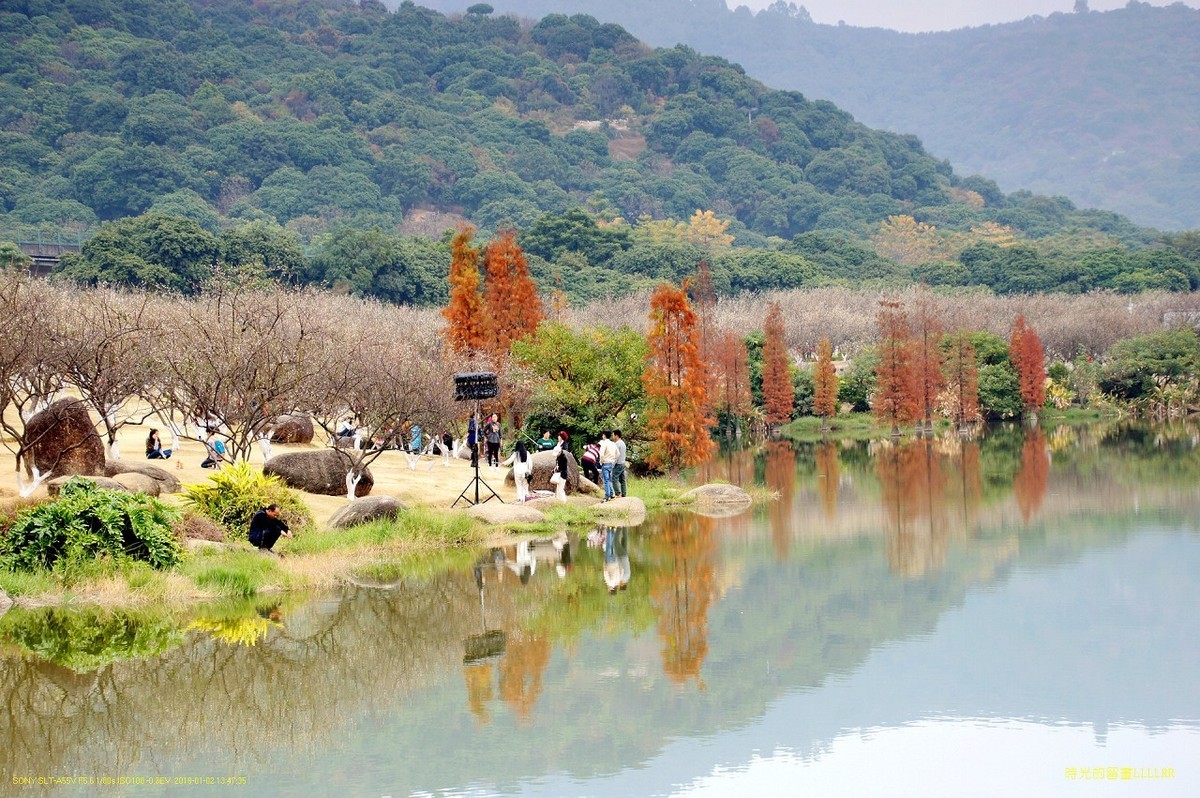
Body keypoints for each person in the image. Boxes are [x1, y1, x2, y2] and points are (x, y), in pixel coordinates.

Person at [598, 430, 618, 501]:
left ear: (604, 435)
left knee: (606, 480)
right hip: (611, 463)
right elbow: (618, 454)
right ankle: (611, 494)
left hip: (605, 463)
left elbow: (601, 454)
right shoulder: (613, 444)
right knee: (609, 479)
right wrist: (614, 461)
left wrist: (601, 461)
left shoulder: (604, 444)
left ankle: (607, 496)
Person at [612, 429, 628, 498]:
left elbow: (616, 455)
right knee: (622, 479)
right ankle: (623, 494)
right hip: (622, 463)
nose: (612, 437)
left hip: (618, 463)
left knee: (614, 478)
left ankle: (617, 493)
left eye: (613, 435)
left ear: (616, 435)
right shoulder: (623, 443)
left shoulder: (617, 444)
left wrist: (613, 464)